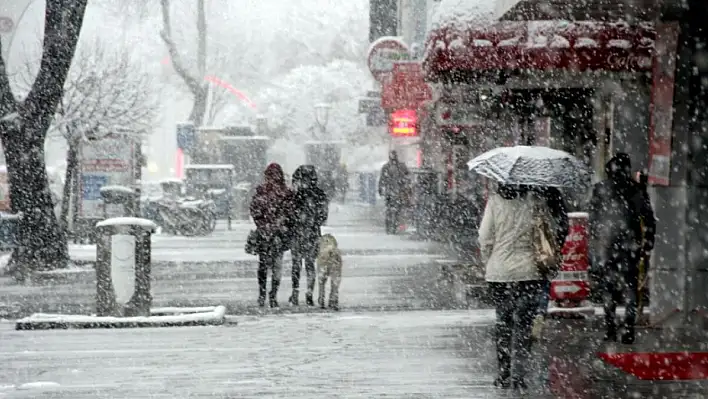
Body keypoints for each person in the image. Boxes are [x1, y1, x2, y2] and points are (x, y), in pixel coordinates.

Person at [478, 183, 548, 390]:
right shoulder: (533, 202)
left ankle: (503, 373)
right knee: (524, 325)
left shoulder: (494, 202)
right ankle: (519, 375)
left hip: (500, 274)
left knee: (503, 322)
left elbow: (484, 237)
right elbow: (542, 234)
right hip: (528, 273)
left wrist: (487, 261)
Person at [589, 153, 654, 344]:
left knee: (608, 287)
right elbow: (649, 219)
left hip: (607, 246)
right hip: (630, 246)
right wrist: (648, 243)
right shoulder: (636, 190)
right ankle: (628, 328)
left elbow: (593, 220)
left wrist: (595, 243)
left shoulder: (600, 189)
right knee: (630, 288)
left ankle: (610, 327)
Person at [250, 163, 294, 308]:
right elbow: (290, 213)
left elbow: (255, 211)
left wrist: (264, 225)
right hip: (274, 234)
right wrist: (280, 225)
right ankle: (270, 294)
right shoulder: (284, 193)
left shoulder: (264, 192)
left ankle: (265, 294)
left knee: (266, 265)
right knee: (274, 265)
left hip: (269, 234)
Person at [289, 165, 329, 306]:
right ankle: (309, 292)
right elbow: (323, 216)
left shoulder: (294, 196)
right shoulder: (319, 194)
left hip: (297, 234)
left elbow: (288, 215)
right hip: (312, 234)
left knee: (296, 264)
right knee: (310, 264)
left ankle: (295, 292)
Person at [532, 186, 569, 336]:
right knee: (544, 280)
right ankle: (540, 312)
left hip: (528, 245)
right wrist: (558, 244)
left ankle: (529, 314)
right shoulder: (553, 192)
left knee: (528, 283)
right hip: (548, 247)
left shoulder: (525, 192)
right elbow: (564, 224)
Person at [378, 151, 411, 234]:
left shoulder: (400, 166)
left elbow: (408, 176)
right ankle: (390, 226)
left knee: (395, 210)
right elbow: (382, 179)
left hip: (397, 191)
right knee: (392, 210)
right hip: (392, 191)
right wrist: (381, 188)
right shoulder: (387, 167)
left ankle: (392, 226)